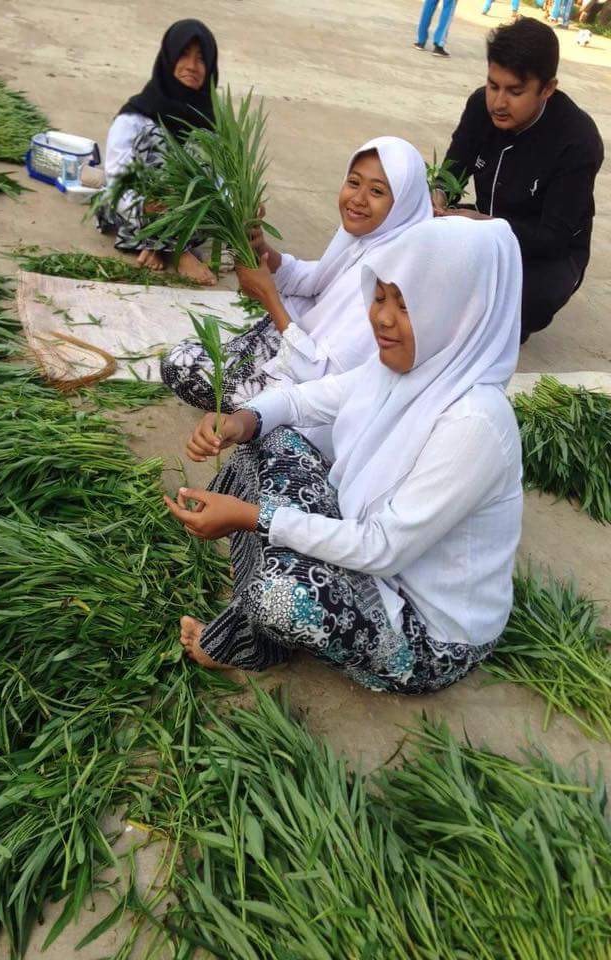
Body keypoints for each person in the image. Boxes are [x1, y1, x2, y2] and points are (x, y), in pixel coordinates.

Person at [164, 217, 524, 694]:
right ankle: (254, 576)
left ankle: (254, 638)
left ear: (461, 313)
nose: (383, 318)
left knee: (283, 597)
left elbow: (381, 547)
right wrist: (241, 420)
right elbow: (306, 399)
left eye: (407, 304)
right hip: (372, 554)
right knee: (269, 437)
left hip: (427, 635)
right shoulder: (406, 367)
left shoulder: (476, 424)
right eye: (381, 297)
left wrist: (253, 517)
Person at [160, 137, 432, 440]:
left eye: (377, 191)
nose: (358, 198)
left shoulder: (393, 279)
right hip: (289, 349)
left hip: (310, 394)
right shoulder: (367, 238)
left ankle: (254, 419)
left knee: (180, 368)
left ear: (404, 203)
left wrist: (268, 297)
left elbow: (322, 377)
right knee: (181, 356)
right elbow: (316, 279)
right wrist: (264, 252)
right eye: (353, 183)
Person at [437, 18, 604, 342]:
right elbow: (452, 169)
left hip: (548, 251)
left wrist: (486, 222)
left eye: (515, 91)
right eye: (493, 85)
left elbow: (552, 237)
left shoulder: (577, 140)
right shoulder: (479, 106)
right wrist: (439, 195)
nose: (499, 103)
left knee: (523, 303)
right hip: (485, 222)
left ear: (547, 89)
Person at [95, 19, 219, 286]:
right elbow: (118, 184)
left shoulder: (210, 121)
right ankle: (178, 250)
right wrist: (147, 207)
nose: (191, 66)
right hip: (136, 208)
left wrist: (244, 205)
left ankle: (157, 246)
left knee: (204, 148)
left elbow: (219, 185)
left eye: (201, 59)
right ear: (168, 58)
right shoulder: (134, 118)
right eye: (183, 55)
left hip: (186, 214)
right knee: (157, 145)